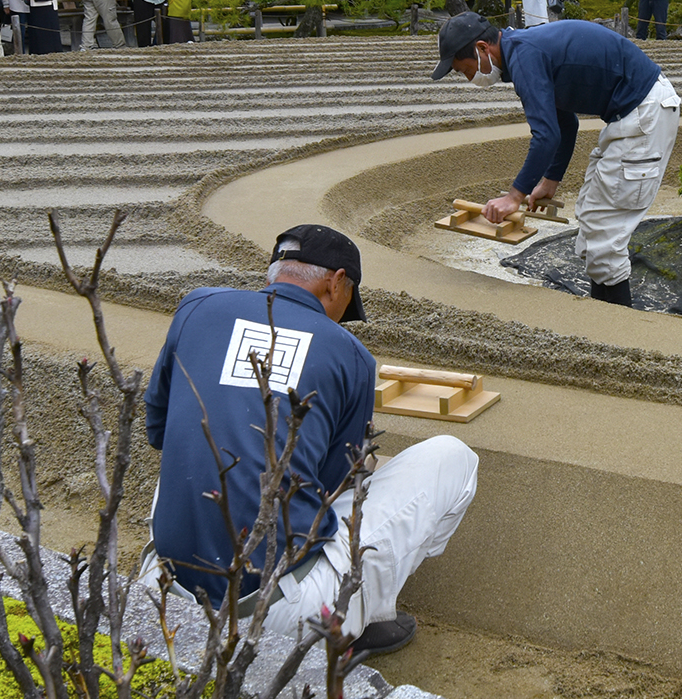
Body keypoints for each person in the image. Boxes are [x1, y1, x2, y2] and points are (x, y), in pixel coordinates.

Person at [144, 224, 477, 655]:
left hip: (165, 590)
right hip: (276, 610)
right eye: (346, 299)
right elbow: (332, 487)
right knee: (453, 458)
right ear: (336, 281)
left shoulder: (197, 306)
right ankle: (359, 620)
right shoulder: (350, 353)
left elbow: (157, 430)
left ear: (274, 271)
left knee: (208, 433)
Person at [431, 11, 680, 306]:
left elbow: (546, 135)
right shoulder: (522, 51)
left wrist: (514, 196)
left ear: (482, 49)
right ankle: (603, 317)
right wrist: (550, 180)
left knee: (604, 234)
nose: (468, 78)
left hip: (644, 113)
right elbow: (565, 124)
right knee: (592, 220)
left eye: (465, 69)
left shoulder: (524, 56)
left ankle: (616, 329)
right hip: (636, 112)